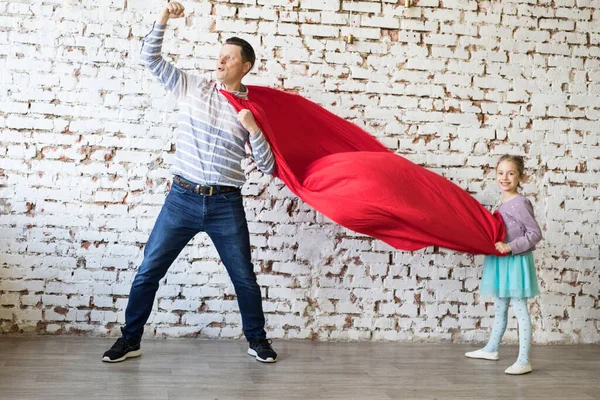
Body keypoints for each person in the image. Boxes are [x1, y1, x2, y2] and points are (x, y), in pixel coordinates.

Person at [102, 1, 278, 363]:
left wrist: (254, 129)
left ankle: (257, 340)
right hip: (181, 198)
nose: (221, 61)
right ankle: (130, 340)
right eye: (220, 56)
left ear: (245, 66)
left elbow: (268, 165)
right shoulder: (192, 87)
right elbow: (151, 60)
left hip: (226, 204)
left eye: (229, 58)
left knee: (244, 277)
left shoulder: (252, 111)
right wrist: (163, 18)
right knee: (149, 269)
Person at [465, 155, 542, 375]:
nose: (504, 177)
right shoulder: (503, 201)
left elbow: (535, 233)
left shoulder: (520, 203)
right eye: (500, 173)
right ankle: (491, 348)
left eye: (511, 173)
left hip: (515, 261)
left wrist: (510, 247)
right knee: (500, 307)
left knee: (519, 308)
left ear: (521, 177)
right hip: (502, 262)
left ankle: (524, 360)